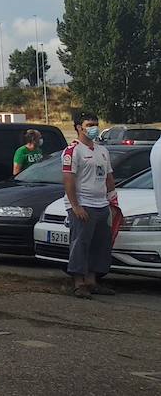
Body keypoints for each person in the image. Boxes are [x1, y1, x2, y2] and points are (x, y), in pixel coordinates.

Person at [63, 113, 116, 299]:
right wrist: (75, 206)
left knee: (99, 244)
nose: (94, 127)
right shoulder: (73, 151)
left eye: (96, 124)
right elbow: (68, 180)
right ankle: (79, 283)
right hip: (83, 204)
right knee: (81, 243)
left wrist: (112, 199)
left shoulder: (103, 151)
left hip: (101, 204)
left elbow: (108, 176)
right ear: (79, 127)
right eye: (89, 124)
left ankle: (92, 281)